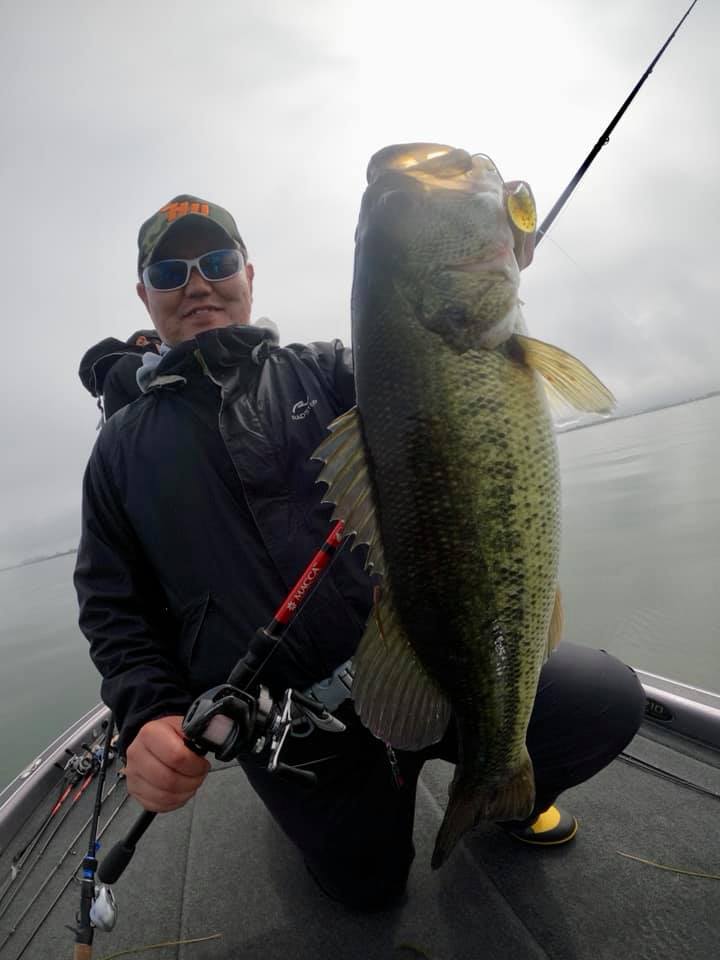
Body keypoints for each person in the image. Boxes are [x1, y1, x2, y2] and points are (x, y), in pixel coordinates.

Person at [74, 194, 646, 912]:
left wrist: (485, 251)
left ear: (248, 273)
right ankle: (328, 818)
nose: (197, 284)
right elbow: (112, 609)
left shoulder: (330, 372)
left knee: (605, 701)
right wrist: (148, 715)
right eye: (169, 272)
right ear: (144, 294)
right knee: (370, 892)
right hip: (298, 735)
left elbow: (432, 367)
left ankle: (506, 792)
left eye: (216, 262)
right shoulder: (119, 454)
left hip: (428, 660)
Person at [79, 330, 162, 421]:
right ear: (141, 341)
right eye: (161, 343)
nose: (165, 349)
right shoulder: (133, 362)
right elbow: (164, 404)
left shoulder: (115, 375)